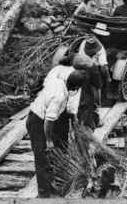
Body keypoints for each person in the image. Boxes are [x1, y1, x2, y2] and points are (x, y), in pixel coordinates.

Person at [26, 70, 87, 198]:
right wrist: (48, 140)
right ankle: (44, 194)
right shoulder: (59, 97)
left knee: (50, 156)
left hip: (41, 117)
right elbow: (48, 121)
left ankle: (51, 187)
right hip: (37, 121)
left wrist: (73, 118)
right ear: (76, 88)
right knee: (42, 157)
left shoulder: (58, 81)